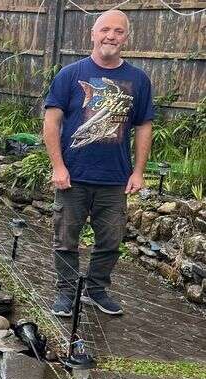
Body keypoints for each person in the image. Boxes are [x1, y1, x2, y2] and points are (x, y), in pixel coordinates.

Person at [43, 10, 154, 316]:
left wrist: (139, 171)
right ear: (92, 34)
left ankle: (96, 290)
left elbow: (144, 125)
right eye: (105, 29)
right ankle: (66, 293)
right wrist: (58, 166)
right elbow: (52, 122)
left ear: (125, 38)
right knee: (66, 239)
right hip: (74, 176)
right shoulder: (70, 74)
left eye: (118, 31)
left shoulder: (138, 80)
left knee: (110, 241)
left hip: (115, 178)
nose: (111, 36)